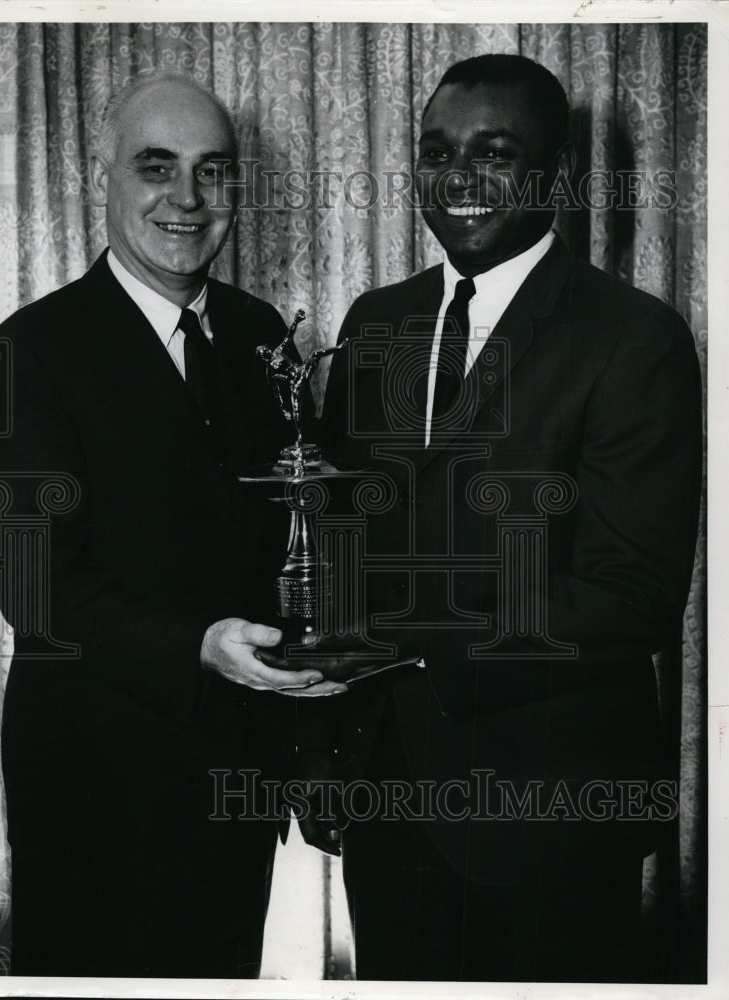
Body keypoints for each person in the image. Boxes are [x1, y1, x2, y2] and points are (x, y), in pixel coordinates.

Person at [294, 54, 702, 982]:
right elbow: (339, 549)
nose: (458, 178)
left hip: (552, 811)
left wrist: (413, 647)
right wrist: (319, 746)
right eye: (437, 152)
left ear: (557, 175)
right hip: (382, 794)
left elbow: (630, 595)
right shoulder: (376, 322)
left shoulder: (633, 337)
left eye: (494, 151)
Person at [0, 71, 346, 979]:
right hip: (99, 780)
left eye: (212, 172)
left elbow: (293, 534)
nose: (187, 199)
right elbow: (37, 589)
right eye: (156, 166)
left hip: (239, 771)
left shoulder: (262, 335)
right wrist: (198, 647)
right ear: (102, 178)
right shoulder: (27, 353)